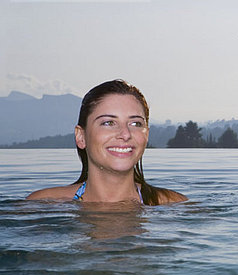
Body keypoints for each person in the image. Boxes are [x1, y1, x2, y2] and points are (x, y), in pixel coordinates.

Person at [27, 79, 187, 205]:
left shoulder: (176, 206)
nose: (125, 134)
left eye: (135, 123)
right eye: (108, 123)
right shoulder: (41, 205)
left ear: (146, 135)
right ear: (81, 136)